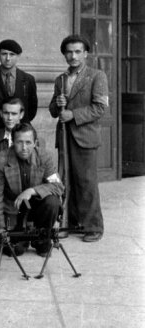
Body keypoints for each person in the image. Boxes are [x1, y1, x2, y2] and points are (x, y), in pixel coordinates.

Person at [49, 34, 108, 242]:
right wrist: (57, 104)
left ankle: (93, 227)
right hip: (64, 137)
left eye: (77, 52)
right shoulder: (60, 79)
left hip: (85, 137)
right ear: (64, 54)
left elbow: (100, 108)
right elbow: (53, 111)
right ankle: (71, 223)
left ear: (85, 54)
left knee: (86, 182)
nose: (73, 56)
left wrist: (73, 114)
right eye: (69, 52)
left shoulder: (97, 76)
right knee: (66, 180)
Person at [0, 123, 64, 255]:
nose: (24, 148)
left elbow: (58, 186)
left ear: (35, 143)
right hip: (14, 210)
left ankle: (42, 240)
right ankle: (21, 239)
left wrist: (31, 191)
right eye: (19, 142)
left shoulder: (44, 157)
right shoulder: (0, 160)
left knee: (52, 202)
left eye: (28, 142)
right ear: (12, 142)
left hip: (36, 208)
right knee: (16, 250)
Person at [0, 39, 38, 135]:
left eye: (12, 54)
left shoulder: (28, 79)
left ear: (18, 56)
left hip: (20, 131)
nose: (8, 58)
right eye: (4, 54)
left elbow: (32, 108)